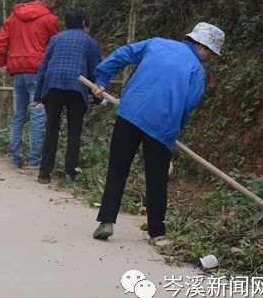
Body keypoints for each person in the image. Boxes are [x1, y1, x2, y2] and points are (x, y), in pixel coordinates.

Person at [89, 22, 224, 245]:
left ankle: (106, 222)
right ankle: (157, 233)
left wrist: (102, 79)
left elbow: (123, 54)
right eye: (211, 53)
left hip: (130, 113)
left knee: (117, 168)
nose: (209, 57)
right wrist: (172, 135)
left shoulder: (156, 43)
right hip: (162, 126)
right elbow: (189, 105)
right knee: (157, 178)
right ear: (204, 47)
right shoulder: (197, 70)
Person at [0, 0, 61, 169]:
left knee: (18, 115)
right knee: (38, 115)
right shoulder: (49, 19)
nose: (54, 6)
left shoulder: (14, 15)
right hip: (38, 71)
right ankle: (34, 160)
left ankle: (15, 158)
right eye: (54, 2)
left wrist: (1, 63)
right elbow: (55, 46)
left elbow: (2, 41)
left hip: (17, 70)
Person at [32, 9, 101, 184]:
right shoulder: (90, 42)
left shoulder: (55, 39)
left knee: (52, 129)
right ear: (85, 24)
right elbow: (95, 71)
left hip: (53, 85)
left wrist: (38, 96)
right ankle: (71, 174)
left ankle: (44, 173)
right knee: (74, 131)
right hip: (77, 86)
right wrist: (98, 95)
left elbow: (43, 68)